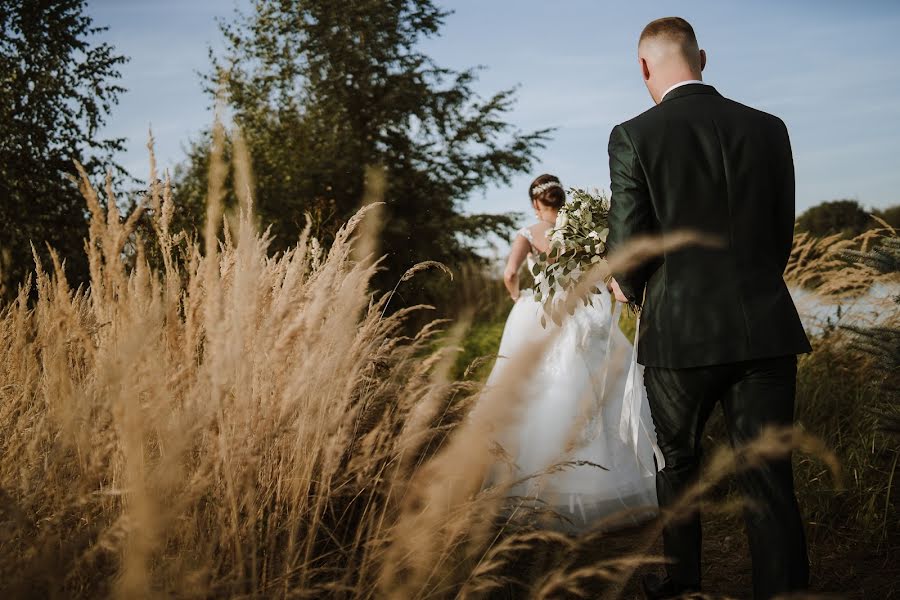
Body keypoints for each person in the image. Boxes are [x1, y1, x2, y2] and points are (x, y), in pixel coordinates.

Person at [606, 16, 812, 600]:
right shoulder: (769, 128)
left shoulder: (633, 135)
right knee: (769, 475)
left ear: (644, 66)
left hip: (679, 336)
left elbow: (628, 246)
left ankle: (682, 582)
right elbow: (779, 235)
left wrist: (628, 285)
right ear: (703, 56)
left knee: (678, 465)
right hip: (765, 328)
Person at [483, 173, 659, 530]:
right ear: (562, 201)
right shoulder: (581, 231)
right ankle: (612, 485)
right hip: (582, 313)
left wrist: (519, 296)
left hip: (543, 313)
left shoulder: (529, 234)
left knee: (536, 391)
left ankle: (536, 486)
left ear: (536, 203)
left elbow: (510, 272)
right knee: (599, 394)